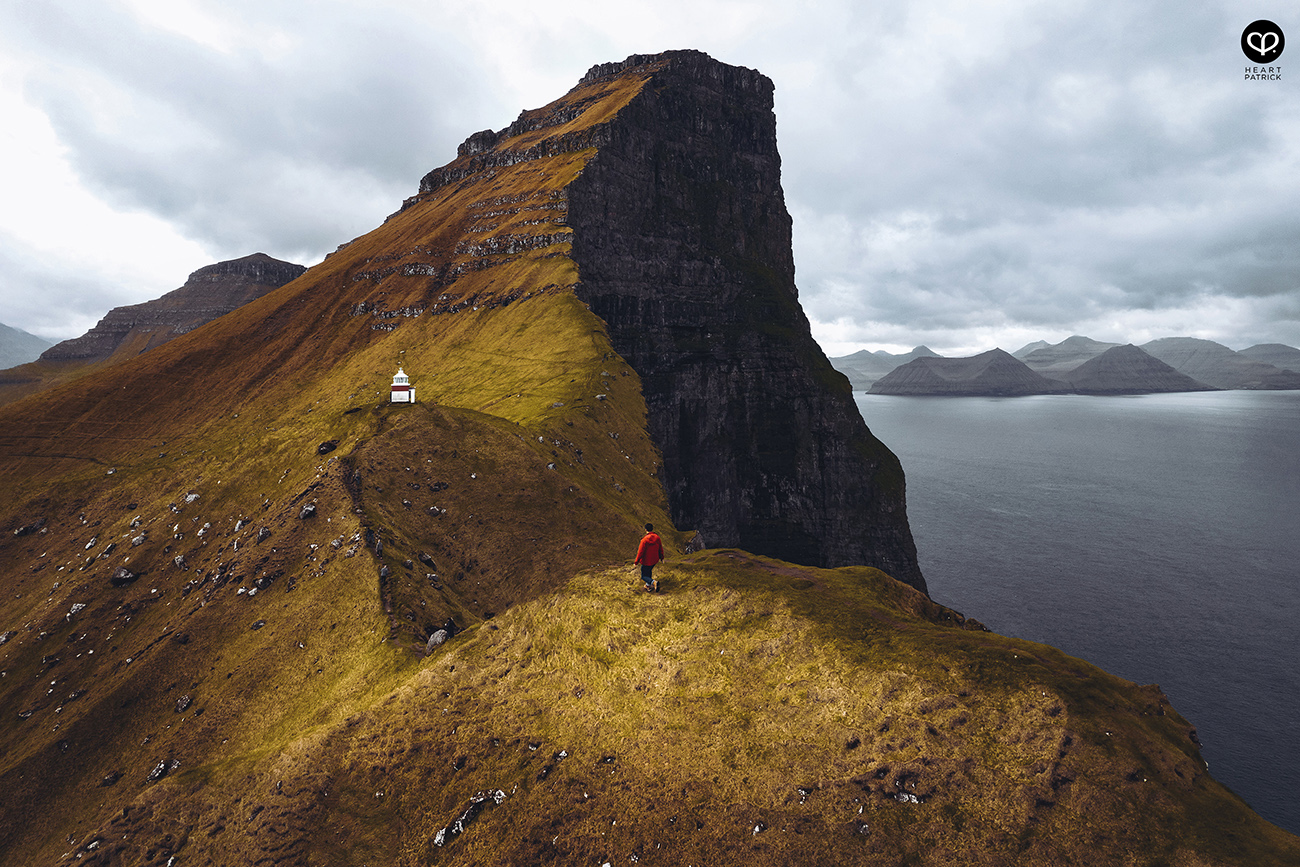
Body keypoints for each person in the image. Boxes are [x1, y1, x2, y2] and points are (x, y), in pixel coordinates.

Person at [634, 523, 664, 592]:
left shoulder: (644, 540)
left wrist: (636, 562)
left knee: (643, 576)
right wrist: (661, 557)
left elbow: (640, 552)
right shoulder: (657, 538)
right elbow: (660, 548)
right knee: (649, 571)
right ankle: (648, 586)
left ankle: (653, 582)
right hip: (654, 560)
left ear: (645, 530)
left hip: (646, 561)